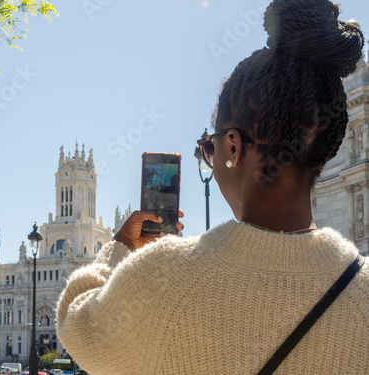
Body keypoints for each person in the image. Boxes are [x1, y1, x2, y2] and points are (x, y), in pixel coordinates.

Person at [56, 0, 369, 374]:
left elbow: (77, 325)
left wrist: (120, 250)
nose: (212, 157)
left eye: (211, 146)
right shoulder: (363, 293)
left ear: (233, 148)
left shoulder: (164, 276)